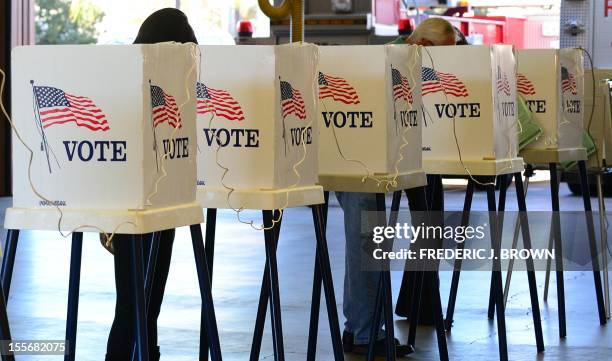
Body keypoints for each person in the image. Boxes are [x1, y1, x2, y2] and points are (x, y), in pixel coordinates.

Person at [340, 18, 456, 356]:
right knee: (366, 239)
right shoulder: (389, 61)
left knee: (364, 241)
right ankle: (365, 333)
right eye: (443, 54)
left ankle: (360, 328)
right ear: (424, 46)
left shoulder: (407, 61)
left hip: (379, 159)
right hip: (359, 159)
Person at [104, 8, 198, 361]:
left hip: (148, 199)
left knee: (139, 302)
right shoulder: (149, 86)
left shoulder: (131, 81)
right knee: (138, 303)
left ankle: (146, 352)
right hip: (147, 201)